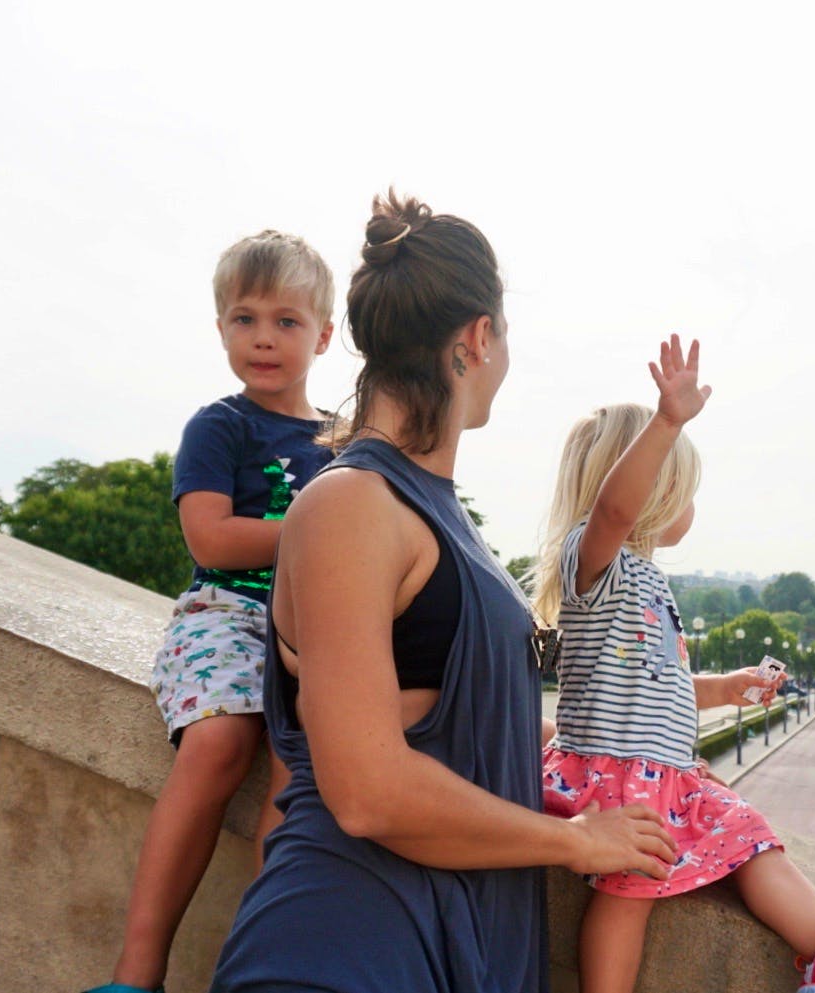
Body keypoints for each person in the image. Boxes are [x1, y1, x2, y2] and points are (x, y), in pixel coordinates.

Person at [207, 192, 678, 993]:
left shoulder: (427, 511)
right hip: (343, 947)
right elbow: (368, 791)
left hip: (432, 946)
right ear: (478, 337)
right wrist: (576, 841)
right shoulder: (350, 502)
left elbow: (457, 718)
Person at [84, 230, 336, 993]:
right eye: (244, 318)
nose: (263, 337)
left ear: (323, 335)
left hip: (313, 630)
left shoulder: (345, 444)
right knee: (219, 740)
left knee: (299, 778)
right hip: (225, 613)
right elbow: (212, 538)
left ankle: (263, 970)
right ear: (221, 327)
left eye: (286, 321)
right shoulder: (220, 425)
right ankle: (137, 971)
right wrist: (322, 528)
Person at [532, 335, 815, 993]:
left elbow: (654, 685)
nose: (692, 507)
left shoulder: (642, 580)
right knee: (631, 884)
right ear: (654, 491)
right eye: (682, 489)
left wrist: (725, 687)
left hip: (653, 772)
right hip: (619, 774)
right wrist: (666, 424)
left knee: (747, 831)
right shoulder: (596, 562)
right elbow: (613, 508)